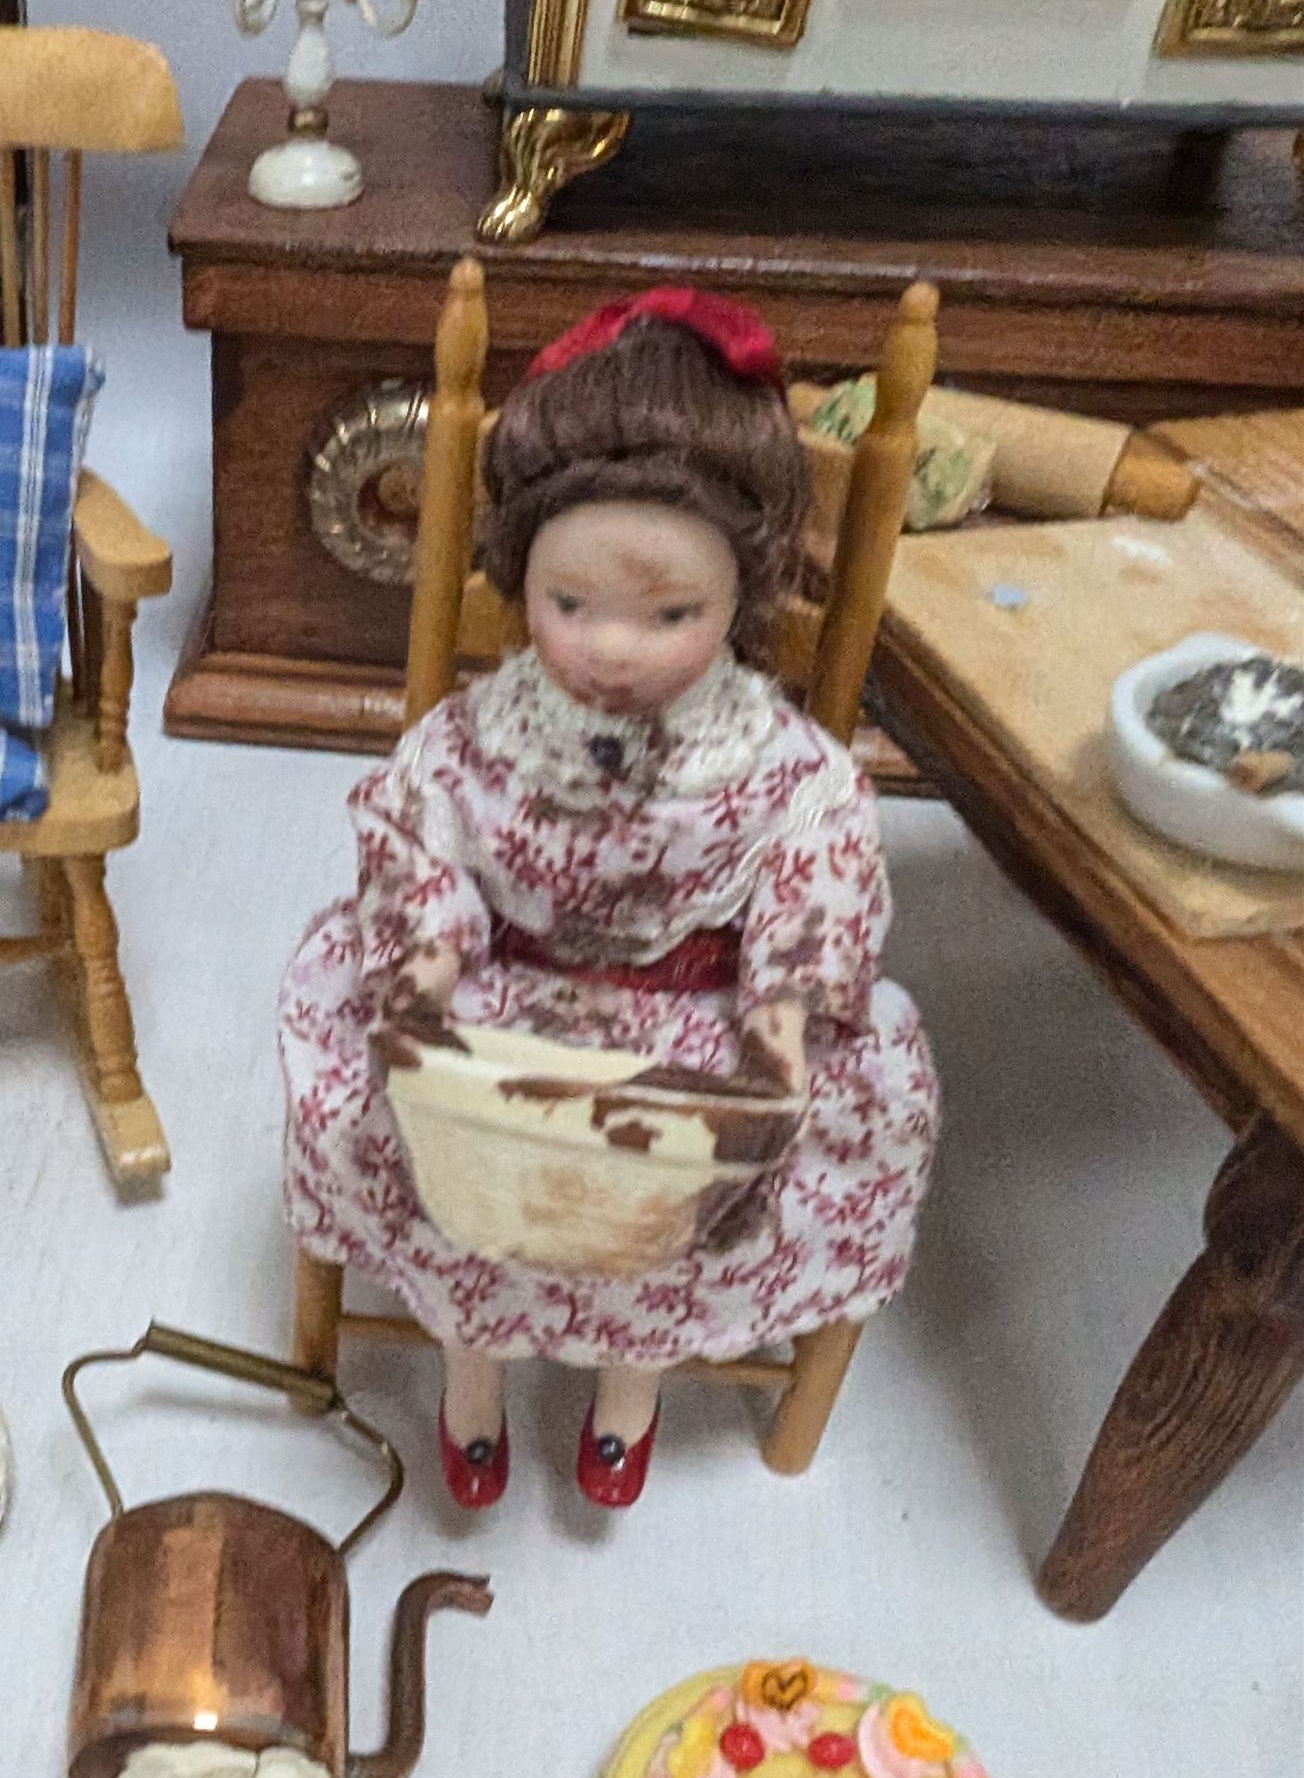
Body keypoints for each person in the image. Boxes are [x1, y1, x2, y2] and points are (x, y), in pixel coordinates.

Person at [279, 288, 937, 1511]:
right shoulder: (483, 733)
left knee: (696, 1193)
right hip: (499, 999)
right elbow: (422, 840)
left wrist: (777, 1029)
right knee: (433, 1148)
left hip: (696, 1026)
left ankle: (633, 1384)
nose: (612, 647)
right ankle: (471, 1375)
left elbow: (819, 874)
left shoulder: (775, 762)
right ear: (519, 575)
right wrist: (423, 982)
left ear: (741, 598)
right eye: (569, 604)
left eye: (671, 614)